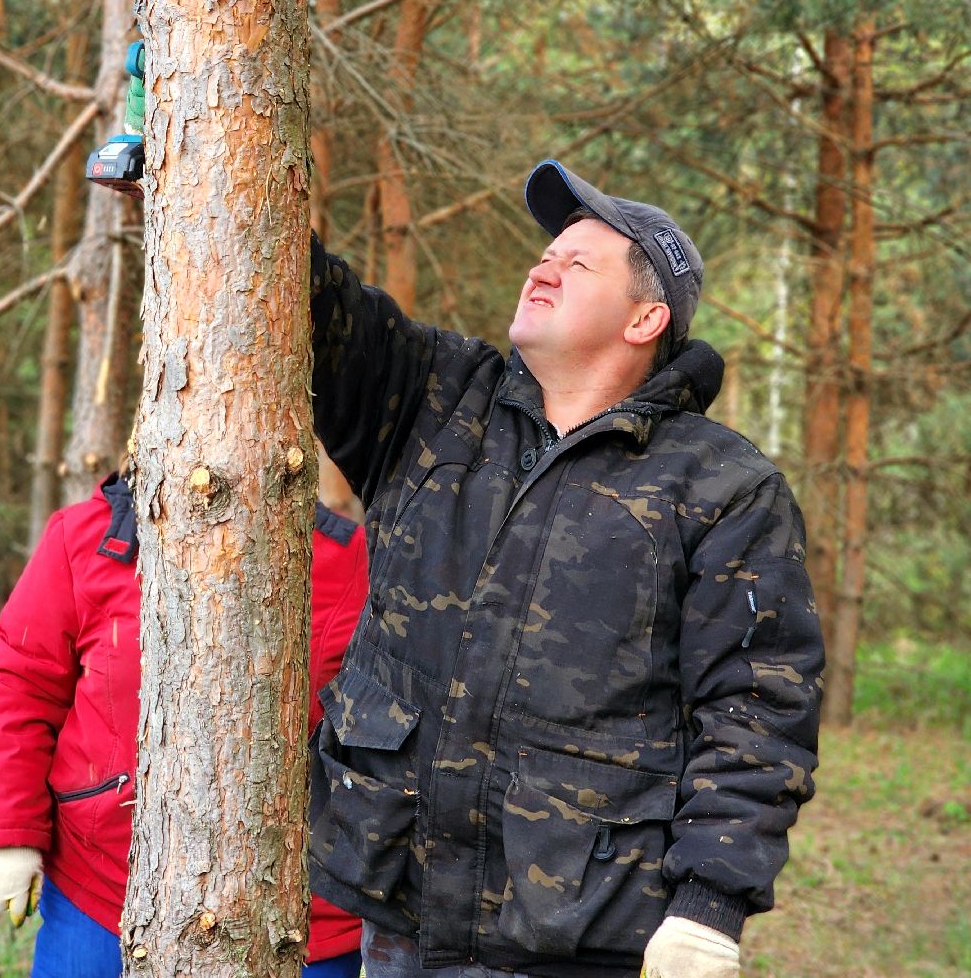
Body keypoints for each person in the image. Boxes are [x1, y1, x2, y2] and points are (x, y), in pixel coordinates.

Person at [306, 161, 824, 977]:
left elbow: (757, 708)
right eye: (545, 254)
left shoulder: (723, 486)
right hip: (400, 918)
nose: (543, 267)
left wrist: (710, 906)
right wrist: (186, 175)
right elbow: (311, 304)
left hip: (573, 936)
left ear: (646, 318)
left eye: (578, 262)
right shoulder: (437, 402)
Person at [0, 470, 369, 977]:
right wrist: (8, 833)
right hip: (104, 885)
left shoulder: (351, 560)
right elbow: (20, 684)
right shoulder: (86, 538)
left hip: (297, 911)